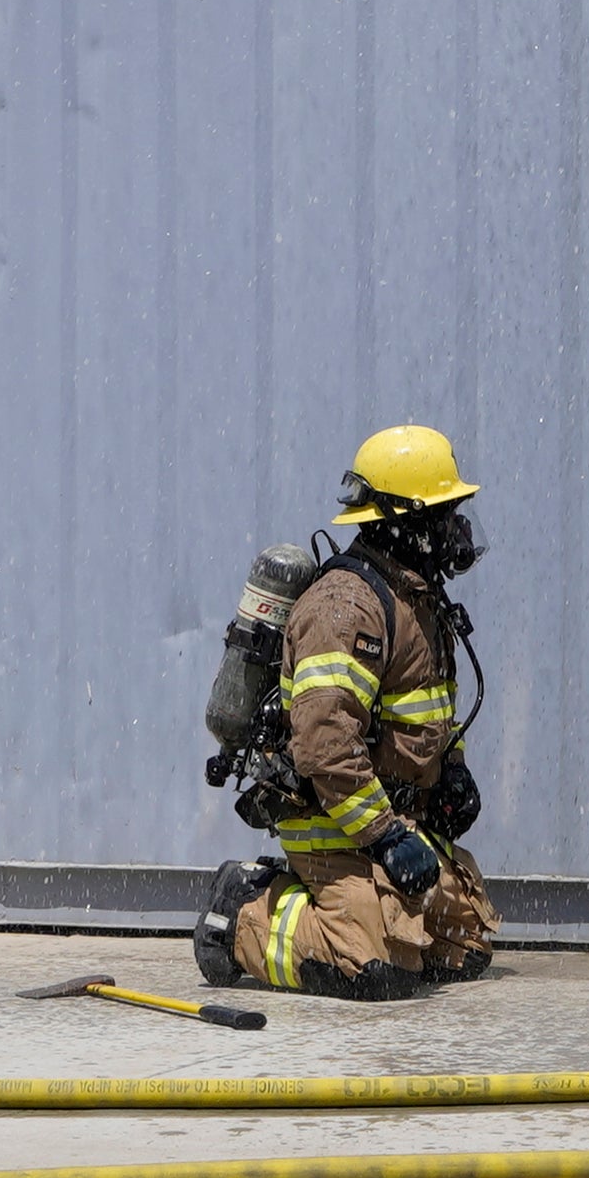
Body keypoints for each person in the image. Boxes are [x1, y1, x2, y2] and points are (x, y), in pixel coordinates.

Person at [195, 426, 499, 1000]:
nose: (456, 532)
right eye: (443, 517)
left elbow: (430, 705)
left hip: (389, 817)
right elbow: (325, 744)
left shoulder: (417, 598)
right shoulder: (346, 607)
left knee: (465, 945)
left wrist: (452, 770)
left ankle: (359, 900)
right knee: (375, 969)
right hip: (332, 821)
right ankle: (242, 916)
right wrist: (384, 837)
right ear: (404, 523)